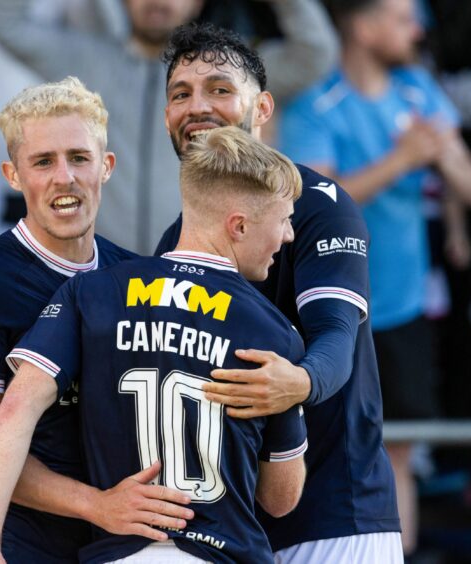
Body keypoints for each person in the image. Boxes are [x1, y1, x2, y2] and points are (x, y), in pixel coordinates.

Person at [0, 126, 307, 564]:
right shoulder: (274, 332)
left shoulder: (90, 293)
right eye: (284, 220)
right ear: (238, 226)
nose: (289, 236)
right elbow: (281, 497)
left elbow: (15, 411)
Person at [155, 23, 402, 562]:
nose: (197, 106)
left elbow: (337, 333)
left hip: (337, 520)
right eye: (181, 94)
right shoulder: (174, 239)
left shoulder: (319, 203)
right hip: (224, 532)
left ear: (262, 108)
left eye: (219, 89)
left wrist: (300, 381)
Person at [0, 77, 194, 564]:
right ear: (13, 175)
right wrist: (96, 505)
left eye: (79, 158)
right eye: (43, 162)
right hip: (14, 545)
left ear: (106, 166)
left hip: (119, 545)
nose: (64, 177)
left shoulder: (138, 276)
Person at [277, 0, 471, 555]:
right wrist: (404, 159)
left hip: (404, 305)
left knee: (398, 452)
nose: (417, 28)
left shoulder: (418, 91)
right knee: (328, 445)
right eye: (401, 17)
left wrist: (445, 154)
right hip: (327, 309)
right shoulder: (316, 103)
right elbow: (308, 205)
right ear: (363, 26)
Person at [0, 0, 339, 253]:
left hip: (201, 267)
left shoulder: (230, 70)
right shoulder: (86, 60)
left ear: (198, 3)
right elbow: (1, 19)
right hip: (101, 271)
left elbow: (315, 52)